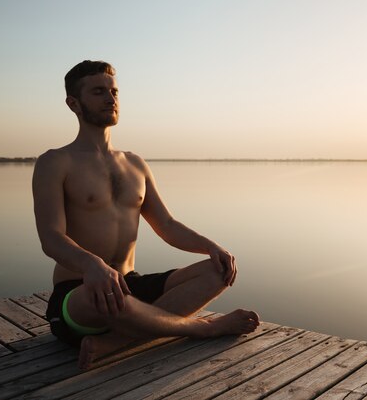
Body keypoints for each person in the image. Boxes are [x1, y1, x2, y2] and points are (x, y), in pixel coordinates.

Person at [32, 60, 259, 370]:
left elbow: (166, 224)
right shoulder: (55, 162)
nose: (111, 99)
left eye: (114, 91)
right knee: (109, 298)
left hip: (130, 284)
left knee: (218, 270)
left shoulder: (135, 163)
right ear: (74, 103)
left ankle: (115, 342)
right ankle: (204, 327)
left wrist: (210, 246)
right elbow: (51, 237)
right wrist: (92, 265)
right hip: (80, 294)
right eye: (99, 92)